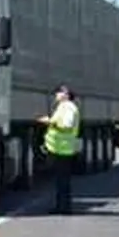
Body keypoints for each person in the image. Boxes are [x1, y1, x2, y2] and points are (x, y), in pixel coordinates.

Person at [38, 84, 81, 214]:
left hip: (63, 149)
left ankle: (64, 207)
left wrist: (49, 122)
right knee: (61, 180)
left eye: (58, 92)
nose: (56, 94)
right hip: (61, 148)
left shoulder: (68, 108)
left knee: (63, 181)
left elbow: (67, 125)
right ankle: (62, 206)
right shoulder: (63, 107)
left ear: (66, 94)